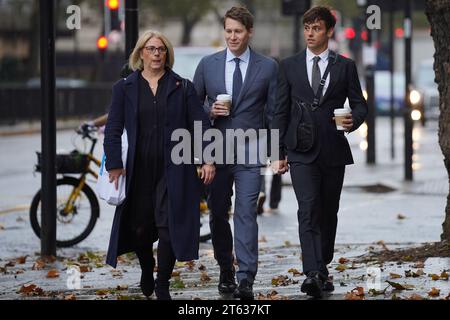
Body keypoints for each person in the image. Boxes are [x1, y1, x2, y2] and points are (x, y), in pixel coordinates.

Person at [104, 30, 215, 300]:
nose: (156, 54)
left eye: (161, 49)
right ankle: (146, 268)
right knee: (140, 228)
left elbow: (200, 125)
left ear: (167, 54)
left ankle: (163, 282)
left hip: (174, 168)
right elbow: (113, 128)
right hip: (138, 169)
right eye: (151, 49)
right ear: (141, 53)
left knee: (169, 227)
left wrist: (208, 158)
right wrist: (114, 164)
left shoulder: (182, 86)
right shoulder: (124, 87)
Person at [271, 6, 368, 298]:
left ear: (328, 31)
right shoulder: (288, 66)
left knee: (329, 212)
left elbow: (361, 105)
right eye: (307, 28)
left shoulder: (345, 66)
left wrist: (353, 121)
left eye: (316, 28)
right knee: (308, 210)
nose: (310, 33)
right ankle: (312, 272)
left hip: (333, 150)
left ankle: (321, 265)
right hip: (300, 150)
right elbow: (279, 111)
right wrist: (278, 151)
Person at [193, 6, 278, 300]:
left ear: (249, 32)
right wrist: (210, 110)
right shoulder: (208, 64)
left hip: (251, 152)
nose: (232, 36)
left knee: (246, 213)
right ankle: (225, 269)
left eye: (238, 31)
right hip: (216, 152)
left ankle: (246, 278)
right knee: (217, 213)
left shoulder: (268, 67)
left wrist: (277, 151)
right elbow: (193, 108)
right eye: (228, 31)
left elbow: (274, 112)